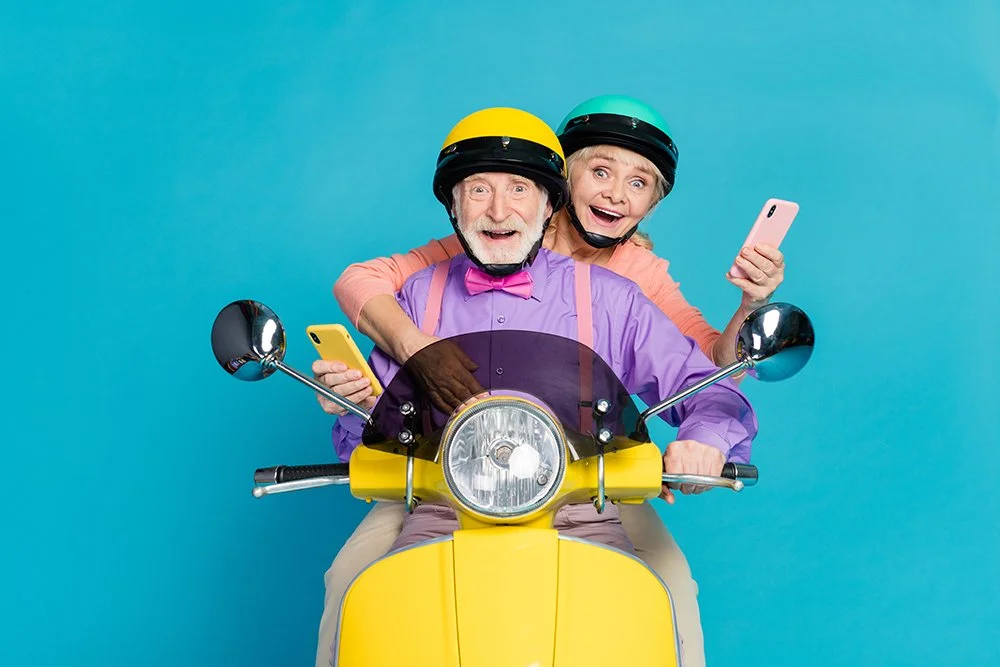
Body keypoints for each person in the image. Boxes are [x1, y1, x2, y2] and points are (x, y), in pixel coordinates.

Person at [314, 106, 759, 667]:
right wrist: (354, 407)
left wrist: (708, 440)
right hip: (438, 502)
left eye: (520, 189)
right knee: (349, 588)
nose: (499, 210)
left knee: (670, 593)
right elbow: (369, 439)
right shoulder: (418, 294)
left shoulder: (613, 296)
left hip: (585, 500)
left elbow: (708, 382)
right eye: (477, 190)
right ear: (453, 207)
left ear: (550, 205)